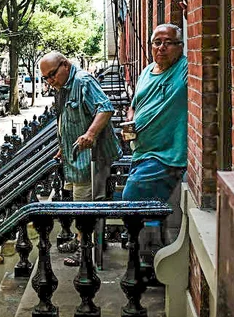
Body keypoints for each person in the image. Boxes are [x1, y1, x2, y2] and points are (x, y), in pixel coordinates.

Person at [39, 51, 122, 266]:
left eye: (52, 75)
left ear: (65, 65)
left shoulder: (83, 81)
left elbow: (105, 108)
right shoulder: (63, 86)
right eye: (45, 78)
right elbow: (66, 120)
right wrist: (62, 147)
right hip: (74, 158)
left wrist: (91, 133)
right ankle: (82, 239)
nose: (49, 81)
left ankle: (86, 249)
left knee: (86, 205)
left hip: (92, 158)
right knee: (79, 202)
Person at [122, 24, 187, 203]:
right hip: (140, 153)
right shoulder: (146, 71)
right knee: (143, 211)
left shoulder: (186, 69)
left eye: (168, 43)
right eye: (157, 42)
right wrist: (131, 118)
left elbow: (207, 57)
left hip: (165, 157)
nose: (161, 47)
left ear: (180, 46)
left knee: (131, 198)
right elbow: (134, 105)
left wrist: (191, 17)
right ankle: (150, 229)